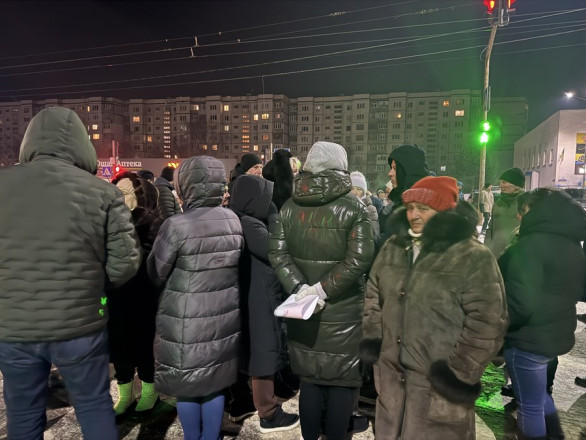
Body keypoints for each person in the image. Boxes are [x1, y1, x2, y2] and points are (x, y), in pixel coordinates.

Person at [0, 106, 141, 440]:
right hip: (81, 324)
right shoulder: (103, 192)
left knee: (23, 414)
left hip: (14, 327)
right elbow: (125, 263)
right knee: (93, 406)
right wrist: (92, 286)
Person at [361, 176, 508, 440]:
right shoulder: (394, 246)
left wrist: (457, 374)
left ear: (444, 211)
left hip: (438, 387)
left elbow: (488, 322)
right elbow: (373, 293)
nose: (413, 215)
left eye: (423, 208)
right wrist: (374, 339)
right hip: (391, 379)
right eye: (409, 208)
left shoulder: (472, 255)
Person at [269, 141, 375, 440]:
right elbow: (360, 259)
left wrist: (301, 288)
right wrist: (322, 290)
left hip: (303, 310)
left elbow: (277, 253)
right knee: (341, 382)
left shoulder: (289, 207)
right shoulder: (355, 207)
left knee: (310, 381)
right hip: (344, 310)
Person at [147, 155, 244, 440]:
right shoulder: (232, 220)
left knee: (187, 387)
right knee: (214, 383)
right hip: (224, 318)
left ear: (186, 185)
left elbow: (155, 272)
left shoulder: (177, 225)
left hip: (185, 321)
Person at [498, 188, 586, 440]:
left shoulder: (531, 246)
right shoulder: (570, 242)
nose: (519, 216)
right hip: (553, 332)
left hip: (527, 339)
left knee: (529, 406)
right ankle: (555, 434)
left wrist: (497, 326)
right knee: (537, 395)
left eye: (524, 210)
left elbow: (519, 303)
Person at [230, 174, 300, 433]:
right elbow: (276, 250)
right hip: (260, 299)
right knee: (263, 354)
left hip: (251, 296)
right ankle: (268, 413)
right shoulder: (250, 224)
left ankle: (245, 403)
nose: (269, 201)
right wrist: (273, 215)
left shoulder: (237, 219)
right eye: (265, 196)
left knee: (252, 351)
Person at [108, 172, 165, 415]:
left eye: (125, 194)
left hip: (145, 293)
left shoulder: (155, 223)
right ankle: (125, 391)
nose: (120, 199)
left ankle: (150, 390)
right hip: (116, 292)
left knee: (144, 343)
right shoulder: (109, 222)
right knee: (118, 343)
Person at [378, 144, 431, 240]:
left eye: (395, 169)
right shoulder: (396, 201)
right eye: (391, 168)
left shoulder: (429, 204)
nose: (390, 173)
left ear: (407, 171)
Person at [485, 167, 525, 257]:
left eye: (504, 182)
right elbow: (490, 230)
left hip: (517, 256)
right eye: (500, 182)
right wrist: (487, 249)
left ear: (516, 185)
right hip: (497, 255)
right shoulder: (498, 205)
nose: (500, 185)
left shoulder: (526, 204)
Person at [350, 171, 380, 237]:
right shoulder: (341, 206)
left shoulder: (370, 209)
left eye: (359, 189)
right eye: (352, 188)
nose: (355, 192)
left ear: (364, 192)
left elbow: (375, 235)